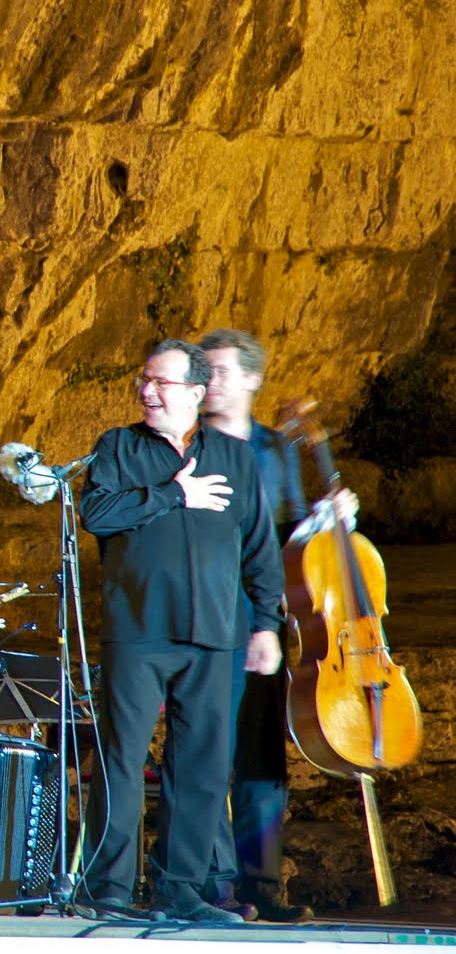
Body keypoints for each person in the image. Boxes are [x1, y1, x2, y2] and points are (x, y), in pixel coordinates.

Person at [78, 338, 286, 924]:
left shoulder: (235, 457)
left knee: (201, 767)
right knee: (121, 761)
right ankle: (108, 889)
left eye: (161, 382)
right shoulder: (118, 447)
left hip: (215, 636)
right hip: (139, 629)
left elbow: (260, 548)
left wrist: (266, 624)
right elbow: (96, 514)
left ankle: (180, 890)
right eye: (143, 381)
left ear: (196, 392)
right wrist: (174, 494)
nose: (147, 391)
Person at [199, 328, 356, 923]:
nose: (209, 382)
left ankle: (262, 888)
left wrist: (325, 519)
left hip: (261, 618)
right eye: (204, 371)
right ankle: (214, 888)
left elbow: (288, 530)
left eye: (220, 371)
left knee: (262, 758)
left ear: (252, 379)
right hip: (205, 614)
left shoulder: (273, 447)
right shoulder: (187, 443)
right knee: (206, 753)